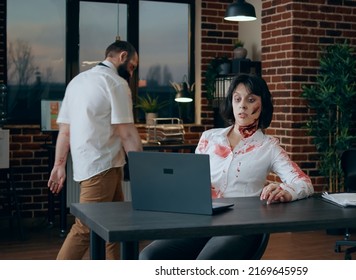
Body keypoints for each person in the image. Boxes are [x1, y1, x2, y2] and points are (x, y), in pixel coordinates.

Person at [139, 74, 314, 260]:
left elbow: (304, 182)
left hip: (242, 224)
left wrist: (286, 190)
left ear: (263, 105)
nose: (243, 105)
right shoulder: (209, 138)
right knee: (149, 256)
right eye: (237, 99)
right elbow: (195, 181)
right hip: (202, 220)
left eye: (251, 99)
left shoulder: (269, 147)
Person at [47, 40, 143, 260]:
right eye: (132, 66)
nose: (132, 72)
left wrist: (59, 166)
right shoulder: (116, 83)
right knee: (84, 228)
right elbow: (126, 133)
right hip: (103, 167)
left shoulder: (77, 82)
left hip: (89, 166)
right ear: (122, 56)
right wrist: (144, 171)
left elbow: (65, 131)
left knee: (115, 226)